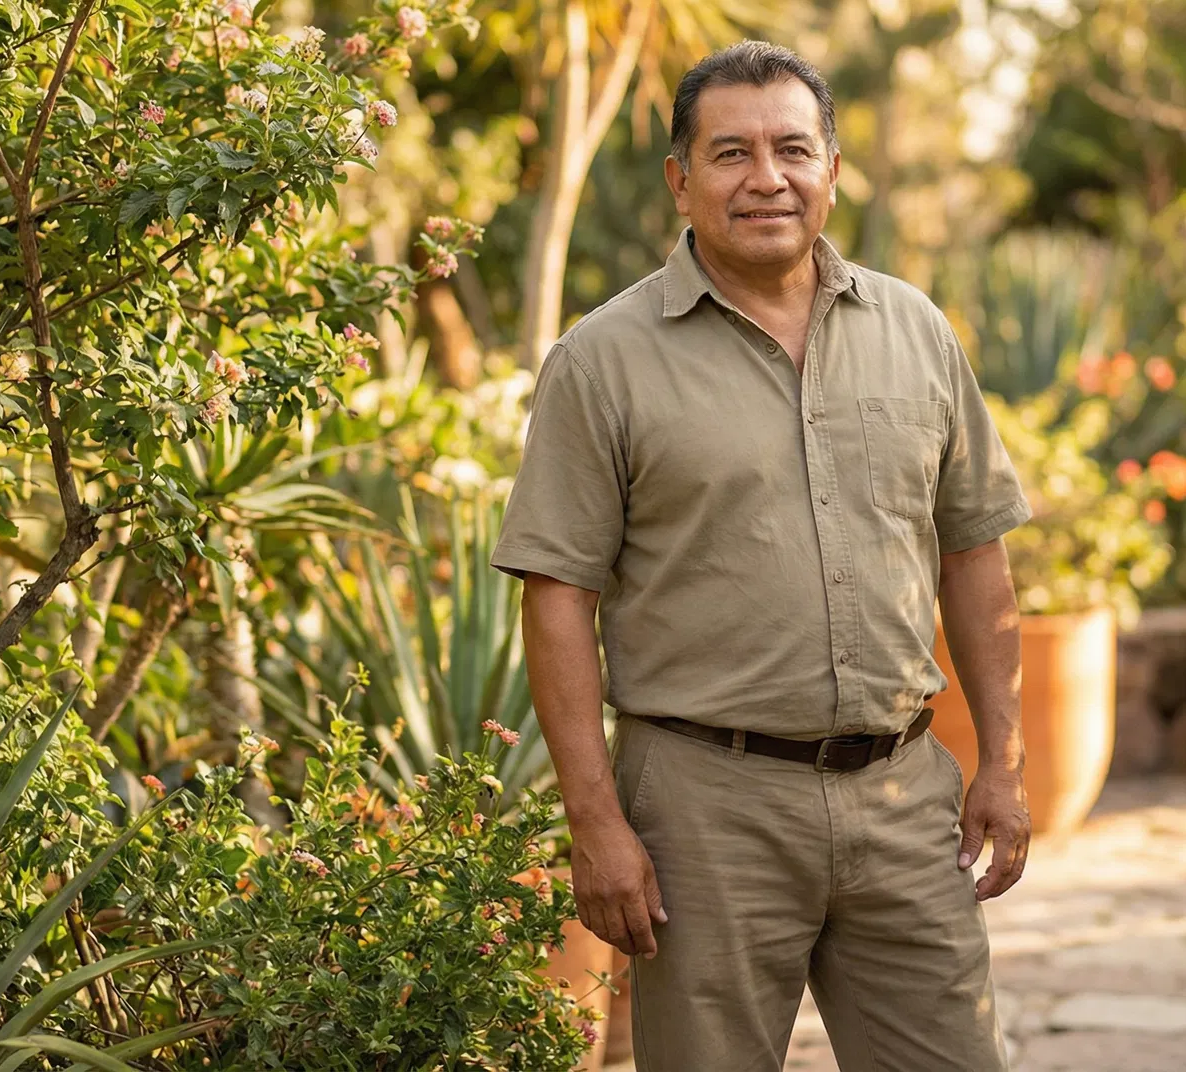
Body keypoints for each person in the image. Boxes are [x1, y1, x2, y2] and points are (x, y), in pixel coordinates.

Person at [491, 39, 1032, 1072]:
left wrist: (1003, 760)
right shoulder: (602, 361)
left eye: (792, 148)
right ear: (681, 181)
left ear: (832, 168)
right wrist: (595, 822)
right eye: (731, 153)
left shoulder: (914, 331)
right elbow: (558, 596)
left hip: (900, 793)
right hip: (704, 811)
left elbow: (973, 552)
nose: (766, 178)